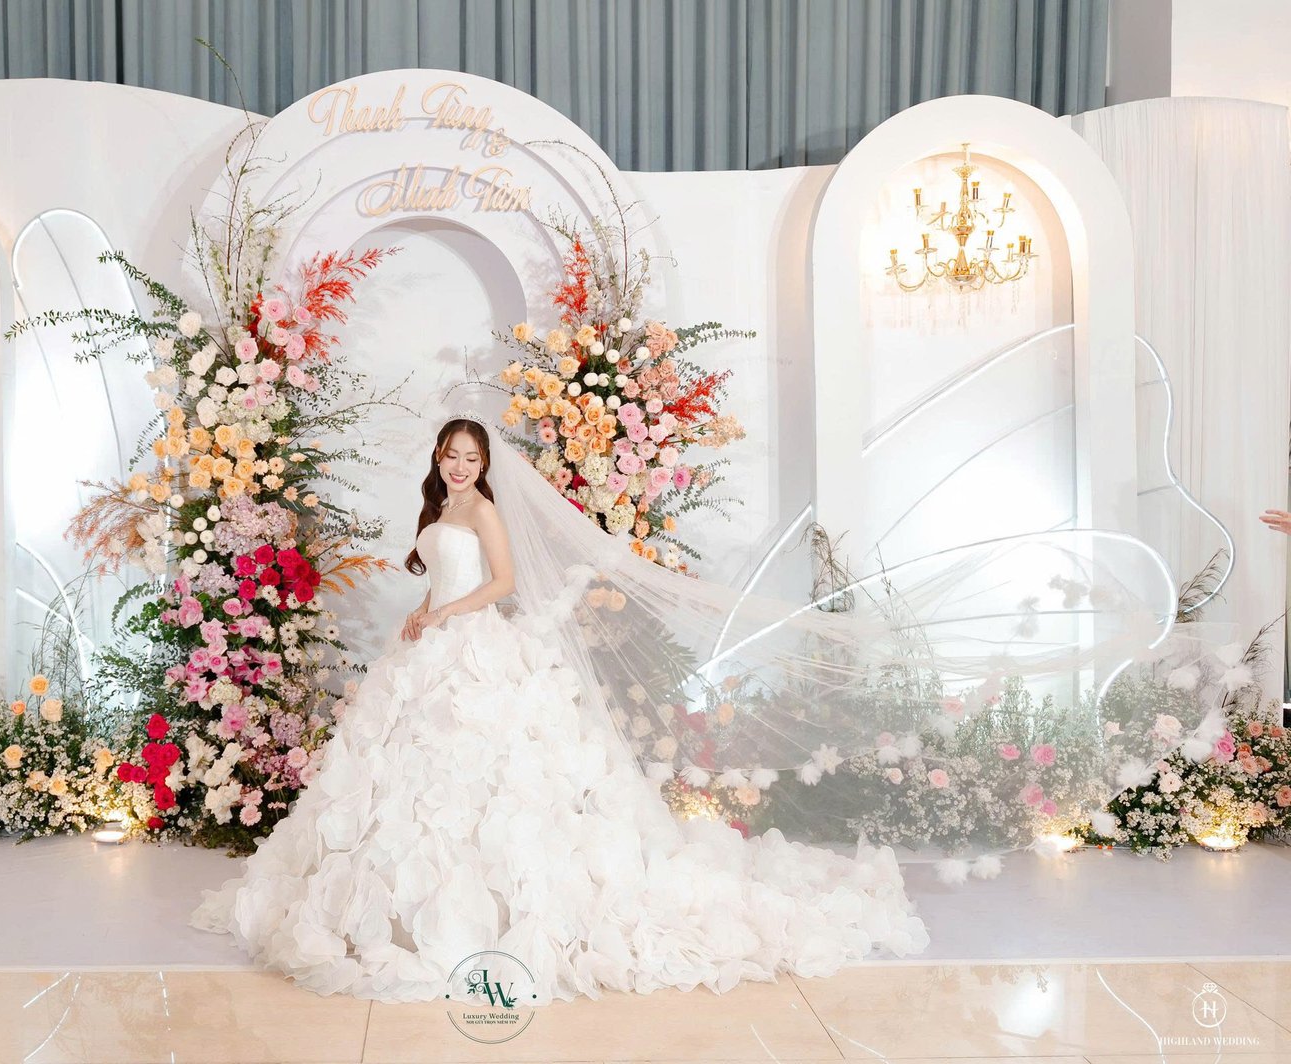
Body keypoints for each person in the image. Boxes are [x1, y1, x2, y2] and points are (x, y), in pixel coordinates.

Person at [188, 413, 932, 1003]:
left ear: (484, 464)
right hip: (431, 642)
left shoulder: (483, 509)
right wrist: (423, 611)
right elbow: (447, 577)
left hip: (473, 646)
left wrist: (444, 614)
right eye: (451, 454)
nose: (459, 465)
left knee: (484, 770)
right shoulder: (443, 506)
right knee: (399, 772)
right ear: (438, 458)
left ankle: (488, 910)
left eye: (470, 457)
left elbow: (503, 583)